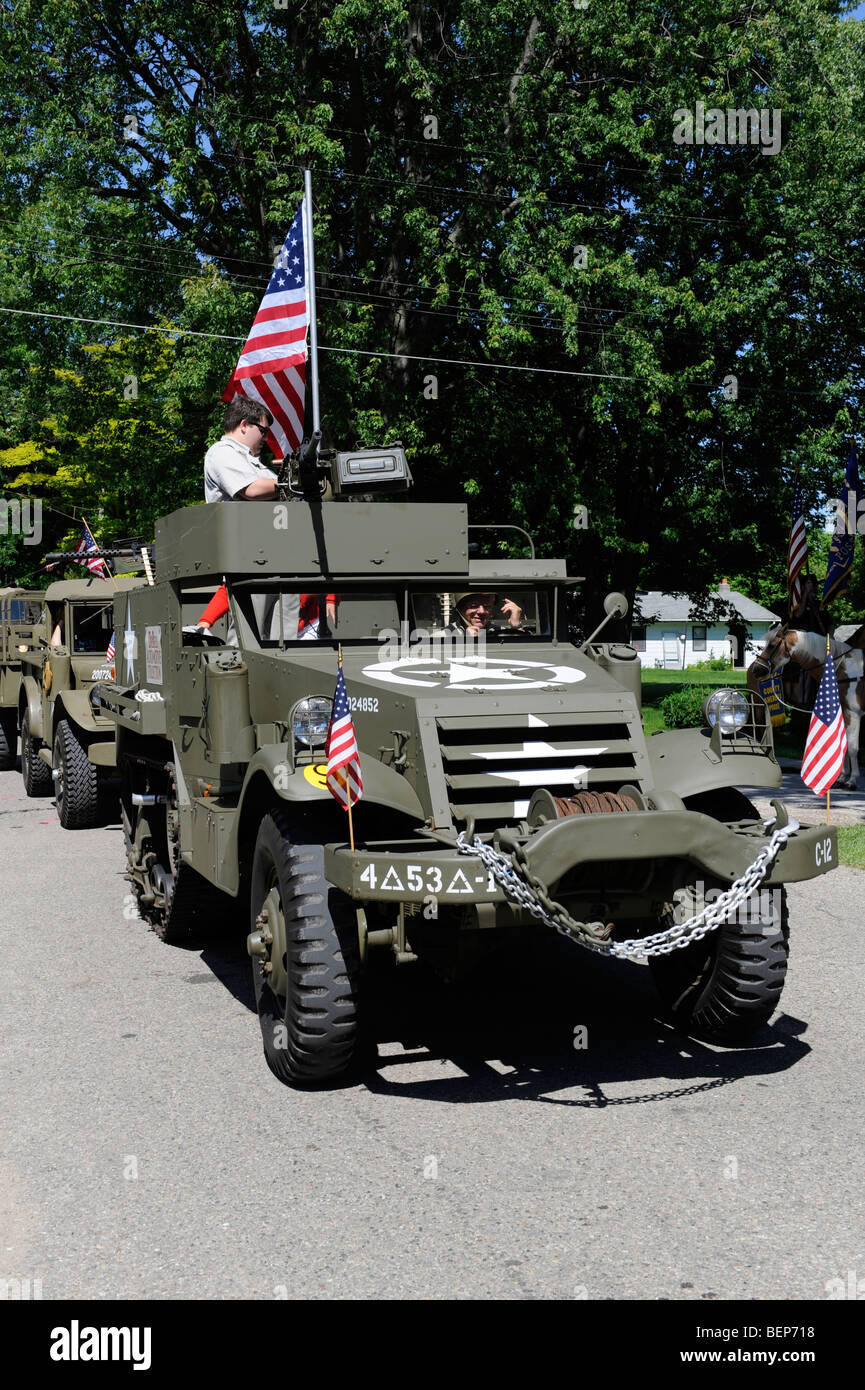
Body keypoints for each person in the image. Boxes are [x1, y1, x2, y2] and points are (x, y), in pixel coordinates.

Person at [203, 398, 280, 502]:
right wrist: (295, 483)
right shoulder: (221, 452)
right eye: (263, 431)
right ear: (244, 425)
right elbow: (253, 490)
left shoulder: (250, 460)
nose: (266, 438)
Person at [441, 592, 524, 636]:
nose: (482, 611)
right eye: (474, 606)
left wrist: (516, 626)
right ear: (461, 608)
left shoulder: (501, 632)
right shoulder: (443, 636)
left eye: (487, 606)